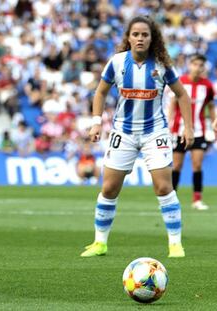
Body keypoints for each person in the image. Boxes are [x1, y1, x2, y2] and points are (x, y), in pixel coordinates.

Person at [80, 16, 194, 258]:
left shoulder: (162, 65)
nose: (140, 38)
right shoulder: (117, 62)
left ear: (152, 39)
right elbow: (100, 93)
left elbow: (182, 95)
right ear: (128, 38)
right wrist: (96, 122)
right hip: (124, 132)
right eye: (136, 34)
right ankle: (100, 243)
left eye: (145, 34)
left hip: (155, 133)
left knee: (164, 187)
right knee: (109, 188)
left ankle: (175, 244)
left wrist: (188, 128)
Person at [169, 54, 216, 210]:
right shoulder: (180, 82)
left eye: (201, 65)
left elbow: (211, 107)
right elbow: (172, 103)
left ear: (204, 67)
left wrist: (214, 123)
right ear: (190, 65)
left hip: (199, 131)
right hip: (178, 130)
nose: (198, 67)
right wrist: (169, 124)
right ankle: (171, 199)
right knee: (176, 165)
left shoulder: (208, 86)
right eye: (195, 64)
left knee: (197, 165)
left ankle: (197, 200)